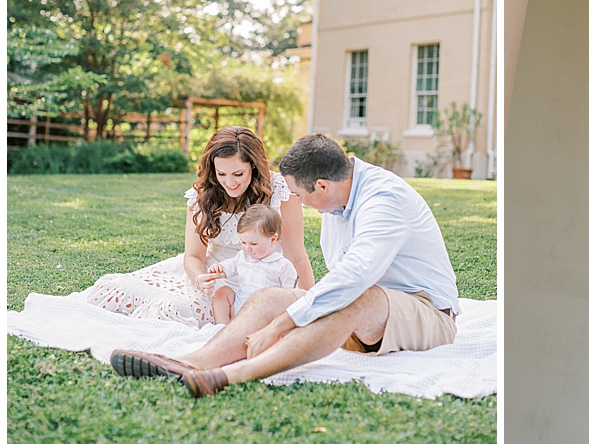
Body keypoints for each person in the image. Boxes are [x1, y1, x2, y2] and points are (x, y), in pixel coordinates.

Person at [109, 134, 461, 398]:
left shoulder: (384, 201)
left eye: (300, 195)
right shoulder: (339, 194)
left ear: (322, 185)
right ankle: (192, 362)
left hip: (425, 312)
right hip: (370, 316)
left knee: (355, 298)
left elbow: (355, 277)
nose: (299, 203)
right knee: (267, 297)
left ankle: (228, 377)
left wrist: (280, 326)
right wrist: (287, 307)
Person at [82, 126, 314, 327]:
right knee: (124, 292)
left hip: (263, 276)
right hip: (213, 273)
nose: (230, 182)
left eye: (238, 173)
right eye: (221, 173)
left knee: (177, 311)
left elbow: (297, 257)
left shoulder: (280, 191)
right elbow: (193, 255)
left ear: (254, 167)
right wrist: (201, 278)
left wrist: (309, 306)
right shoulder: (202, 195)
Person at [200, 204, 298, 325]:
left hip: (263, 313)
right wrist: (219, 268)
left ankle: (248, 330)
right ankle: (222, 326)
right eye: (243, 242)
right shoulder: (242, 257)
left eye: (253, 244)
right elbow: (229, 266)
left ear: (272, 240)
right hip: (239, 305)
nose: (247, 248)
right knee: (222, 292)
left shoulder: (282, 265)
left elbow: (288, 295)